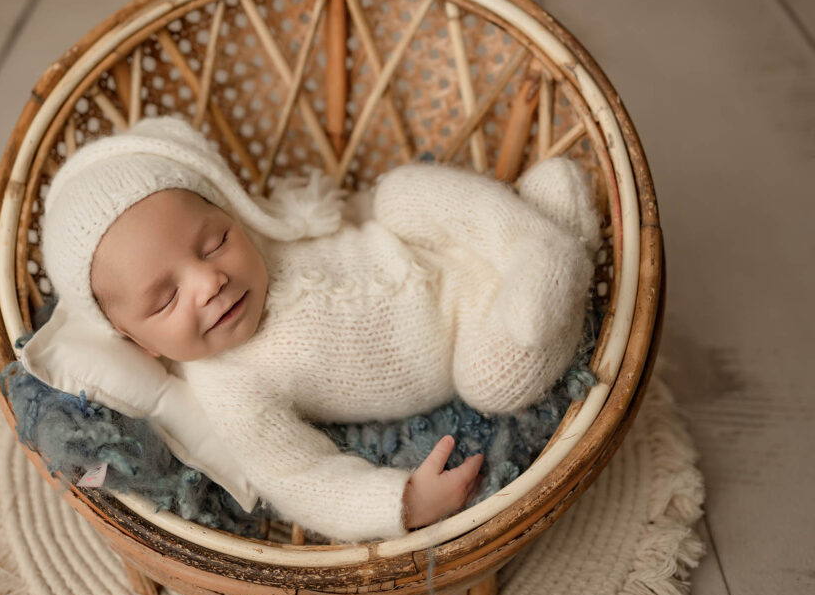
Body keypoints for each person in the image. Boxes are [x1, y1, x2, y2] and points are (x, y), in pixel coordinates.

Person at [42, 116, 600, 542]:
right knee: (492, 381)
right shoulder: (231, 388)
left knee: (398, 194)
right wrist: (399, 504)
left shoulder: (274, 237)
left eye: (215, 242)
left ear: (236, 215)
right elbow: (300, 477)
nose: (209, 280)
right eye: (165, 298)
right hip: (472, 333)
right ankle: (555, 246)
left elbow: (352, 212)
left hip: (438, 246)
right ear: (138, 344)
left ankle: (530, 241)